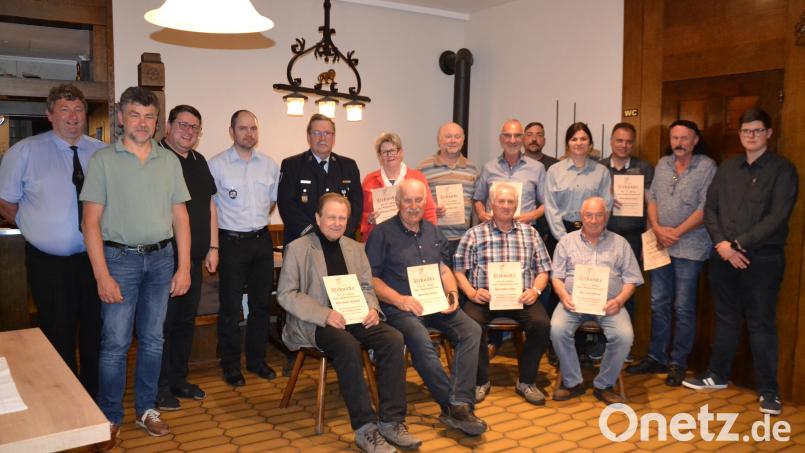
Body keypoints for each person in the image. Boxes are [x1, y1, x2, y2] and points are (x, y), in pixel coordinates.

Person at [80, 86, 191, 443]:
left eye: (149, 117)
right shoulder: (102, 161)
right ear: (120, 117)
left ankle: (146, 409)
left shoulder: (169, 161)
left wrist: (184, 267)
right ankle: (110, 415)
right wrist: (102, 275)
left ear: (157, 122)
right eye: (134, 115)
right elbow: (90, 223)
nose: (142, 123)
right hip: (119, 261)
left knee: (153, 340)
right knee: (114, 343)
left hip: (162, 260)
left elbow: (181, 217)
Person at [278, 193, 421, 453]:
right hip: (317, 322)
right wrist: (324, 314)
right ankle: (365, 428)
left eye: (342, 218)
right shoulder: (298, 248)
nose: (337, 223)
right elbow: (287, 294)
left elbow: (367, 285)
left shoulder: (355, 248)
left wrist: (372, 308)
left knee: (393, 339)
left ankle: (391, 421)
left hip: (355, 316)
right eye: (331, 217)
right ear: (318, 218)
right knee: (347, 345)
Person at [683, 108, 798, 416]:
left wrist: (738, 245)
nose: (751, 136)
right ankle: (718, 375)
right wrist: (723, 245)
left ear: (768, 133)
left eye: (757, 130)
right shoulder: (727, 167)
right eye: (746, 131)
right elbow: (711, 209)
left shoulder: (783, 170)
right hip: (723, 257)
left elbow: (777, 216)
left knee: (761, 324)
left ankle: (769, 391)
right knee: (725, 318)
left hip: (762, 260)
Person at [0, 83, 104, 398]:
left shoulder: (102, 152)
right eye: (64, 110)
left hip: (95, 261)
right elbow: (6, 201)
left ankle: (92, 398)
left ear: (86, 114)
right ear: (49, 114)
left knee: (95, 333)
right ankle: (66, 400)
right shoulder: (25, 151)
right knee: (58, 333)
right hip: (49, 264)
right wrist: (33, 226)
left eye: (78, 109)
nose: (72, 117)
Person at [365, 178, 487, 436]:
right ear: (398, 202)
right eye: (407, 200)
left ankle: (459, 401)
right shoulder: (381, 233)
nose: (413, 206)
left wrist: (452, 294)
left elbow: (444, 269)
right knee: (421, 341)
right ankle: (453, 406)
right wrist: (400, 299)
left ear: (425, 202)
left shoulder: (433, 231)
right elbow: (371, 279)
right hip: (401, 307)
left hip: (435, 302)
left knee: (472, 330)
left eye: (418, 200)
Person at [627, 120, 716, 387]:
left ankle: (678, 362)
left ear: (695, 140)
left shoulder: (707, 167)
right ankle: (656, 357)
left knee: (683, 307)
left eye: (684, 138)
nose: (679, 143)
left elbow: (705, 208)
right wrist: (656, 228)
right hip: (659, 244)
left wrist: (675, 232)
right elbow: (652, 198)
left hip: (690, 246)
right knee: (658, 303)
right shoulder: (663, 164)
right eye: (675, 138)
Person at [454, 183, 551, 405]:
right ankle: (480, 381)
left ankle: (526, 381)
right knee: (470, 325)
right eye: (501, 201)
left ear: (516, 205)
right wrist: (471, 292)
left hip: (521, 297)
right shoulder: (474, 234)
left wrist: (535, 291)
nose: (506, 206)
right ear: (491, 204)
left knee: (542, 325)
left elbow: (543, 271)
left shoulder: (531, 234)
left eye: (510, 202)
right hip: (484, 297)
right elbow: (458, 271)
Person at [208, 110, 280, 387]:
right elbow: (211, 207)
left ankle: (256, 360)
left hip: (261, 241)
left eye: (253, 128)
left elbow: (271, 202)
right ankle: (230, 365)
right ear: (232, 131)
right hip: (231, 243)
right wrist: (214, 246)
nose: (249, 133)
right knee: (230, 307)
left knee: (261, 305)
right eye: (243, 128)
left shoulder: (269, 165)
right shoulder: (217, 165)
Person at [550, 197, 643, 405]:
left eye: (599, 215)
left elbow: (632, 280)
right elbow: (556, 277)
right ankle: (572, 381)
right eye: (589, 215)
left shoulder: (620, 243)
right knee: (557, 329)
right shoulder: (566, 242)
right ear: (581, 217)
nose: (593, 220)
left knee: (624, 336)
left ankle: (604, 384)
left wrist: (619, 300)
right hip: (572, 303)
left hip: (610, 305)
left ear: (606, 216)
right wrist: (564, 296)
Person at [156, 105, 218, 410]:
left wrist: (214, 247)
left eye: (195, 127)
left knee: (184, 323)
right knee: (162, 326)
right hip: (163, 260)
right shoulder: (155, 158)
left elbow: (209, 205)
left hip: (193, 260)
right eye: (183, 124)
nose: (189, 131)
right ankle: (159, 386)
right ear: (168, 126)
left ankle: (178, 379)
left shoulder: (198, 161)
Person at [278, 114, 362, 245]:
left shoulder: (348, 166)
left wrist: (340, 232)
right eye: (316, 133)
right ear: (308, 137)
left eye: (327, 133)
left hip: (341, 242)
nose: (322, 138)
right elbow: (287, 206)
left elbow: (356, 205)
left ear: (333, 137)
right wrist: (313, 235)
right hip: (303, 242)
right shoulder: (292, 165)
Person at [600, 122, 654, 322]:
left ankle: (624, 336)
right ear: (611, 141)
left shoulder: (644, 167)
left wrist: (648, 241)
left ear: (634, 143)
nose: (624, 145)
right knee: (602, 285)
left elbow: (652, 204)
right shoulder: (599, 168)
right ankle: (598, 337)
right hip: (605, 235)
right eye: (619, 140)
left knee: (628, 288)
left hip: (634, 237)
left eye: (629, 142)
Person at [416, 122, 479, 261]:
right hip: (432, 238)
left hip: (464, 240)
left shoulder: (472, 168)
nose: (453, 141)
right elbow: (415, 202)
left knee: (460, 275)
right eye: (448, 136)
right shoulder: (423, 168)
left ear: (463, 140)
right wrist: (430, 209)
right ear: (439, 140)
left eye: (457, 137)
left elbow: (476, 204)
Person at [359, 132, 436, 240]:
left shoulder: (417, 177)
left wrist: (428, 238)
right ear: (379, 156)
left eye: (393, 150)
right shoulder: (369, 180)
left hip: (412, 239)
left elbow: (429, 210)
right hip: (380, 239)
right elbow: (361, 213)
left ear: (401, 152)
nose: (389, 155)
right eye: (385, 152)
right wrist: (369, 219)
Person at [544, 122, 612, 242]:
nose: (579, 143)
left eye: (583, 139)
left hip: (592, 232)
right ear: (567, 144)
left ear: (590, 143)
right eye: (574, 139)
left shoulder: (602, 172)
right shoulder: (554, 171)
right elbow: (550, 208)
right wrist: (563, 238)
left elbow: (606, 206)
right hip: (560, 234)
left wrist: (594, 232)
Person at [473, 119, 546, 229]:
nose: (512, 140)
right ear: (501, 139)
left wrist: (531, 216)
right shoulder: (488, 168)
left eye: (517, 136)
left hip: (524, 230)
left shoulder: (537, 168)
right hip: (492, 230)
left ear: (523, 138)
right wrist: (481, 213)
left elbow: (547, 203)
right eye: (507, 135)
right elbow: (478, 198)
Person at [523, 121, 559, 254]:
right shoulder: (514, 164)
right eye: (530, 135)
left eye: (539, 135)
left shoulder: (555, 166)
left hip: (549, 232)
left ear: (544, 140)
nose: (534, 139)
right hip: (522, 227)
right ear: (523, 138)